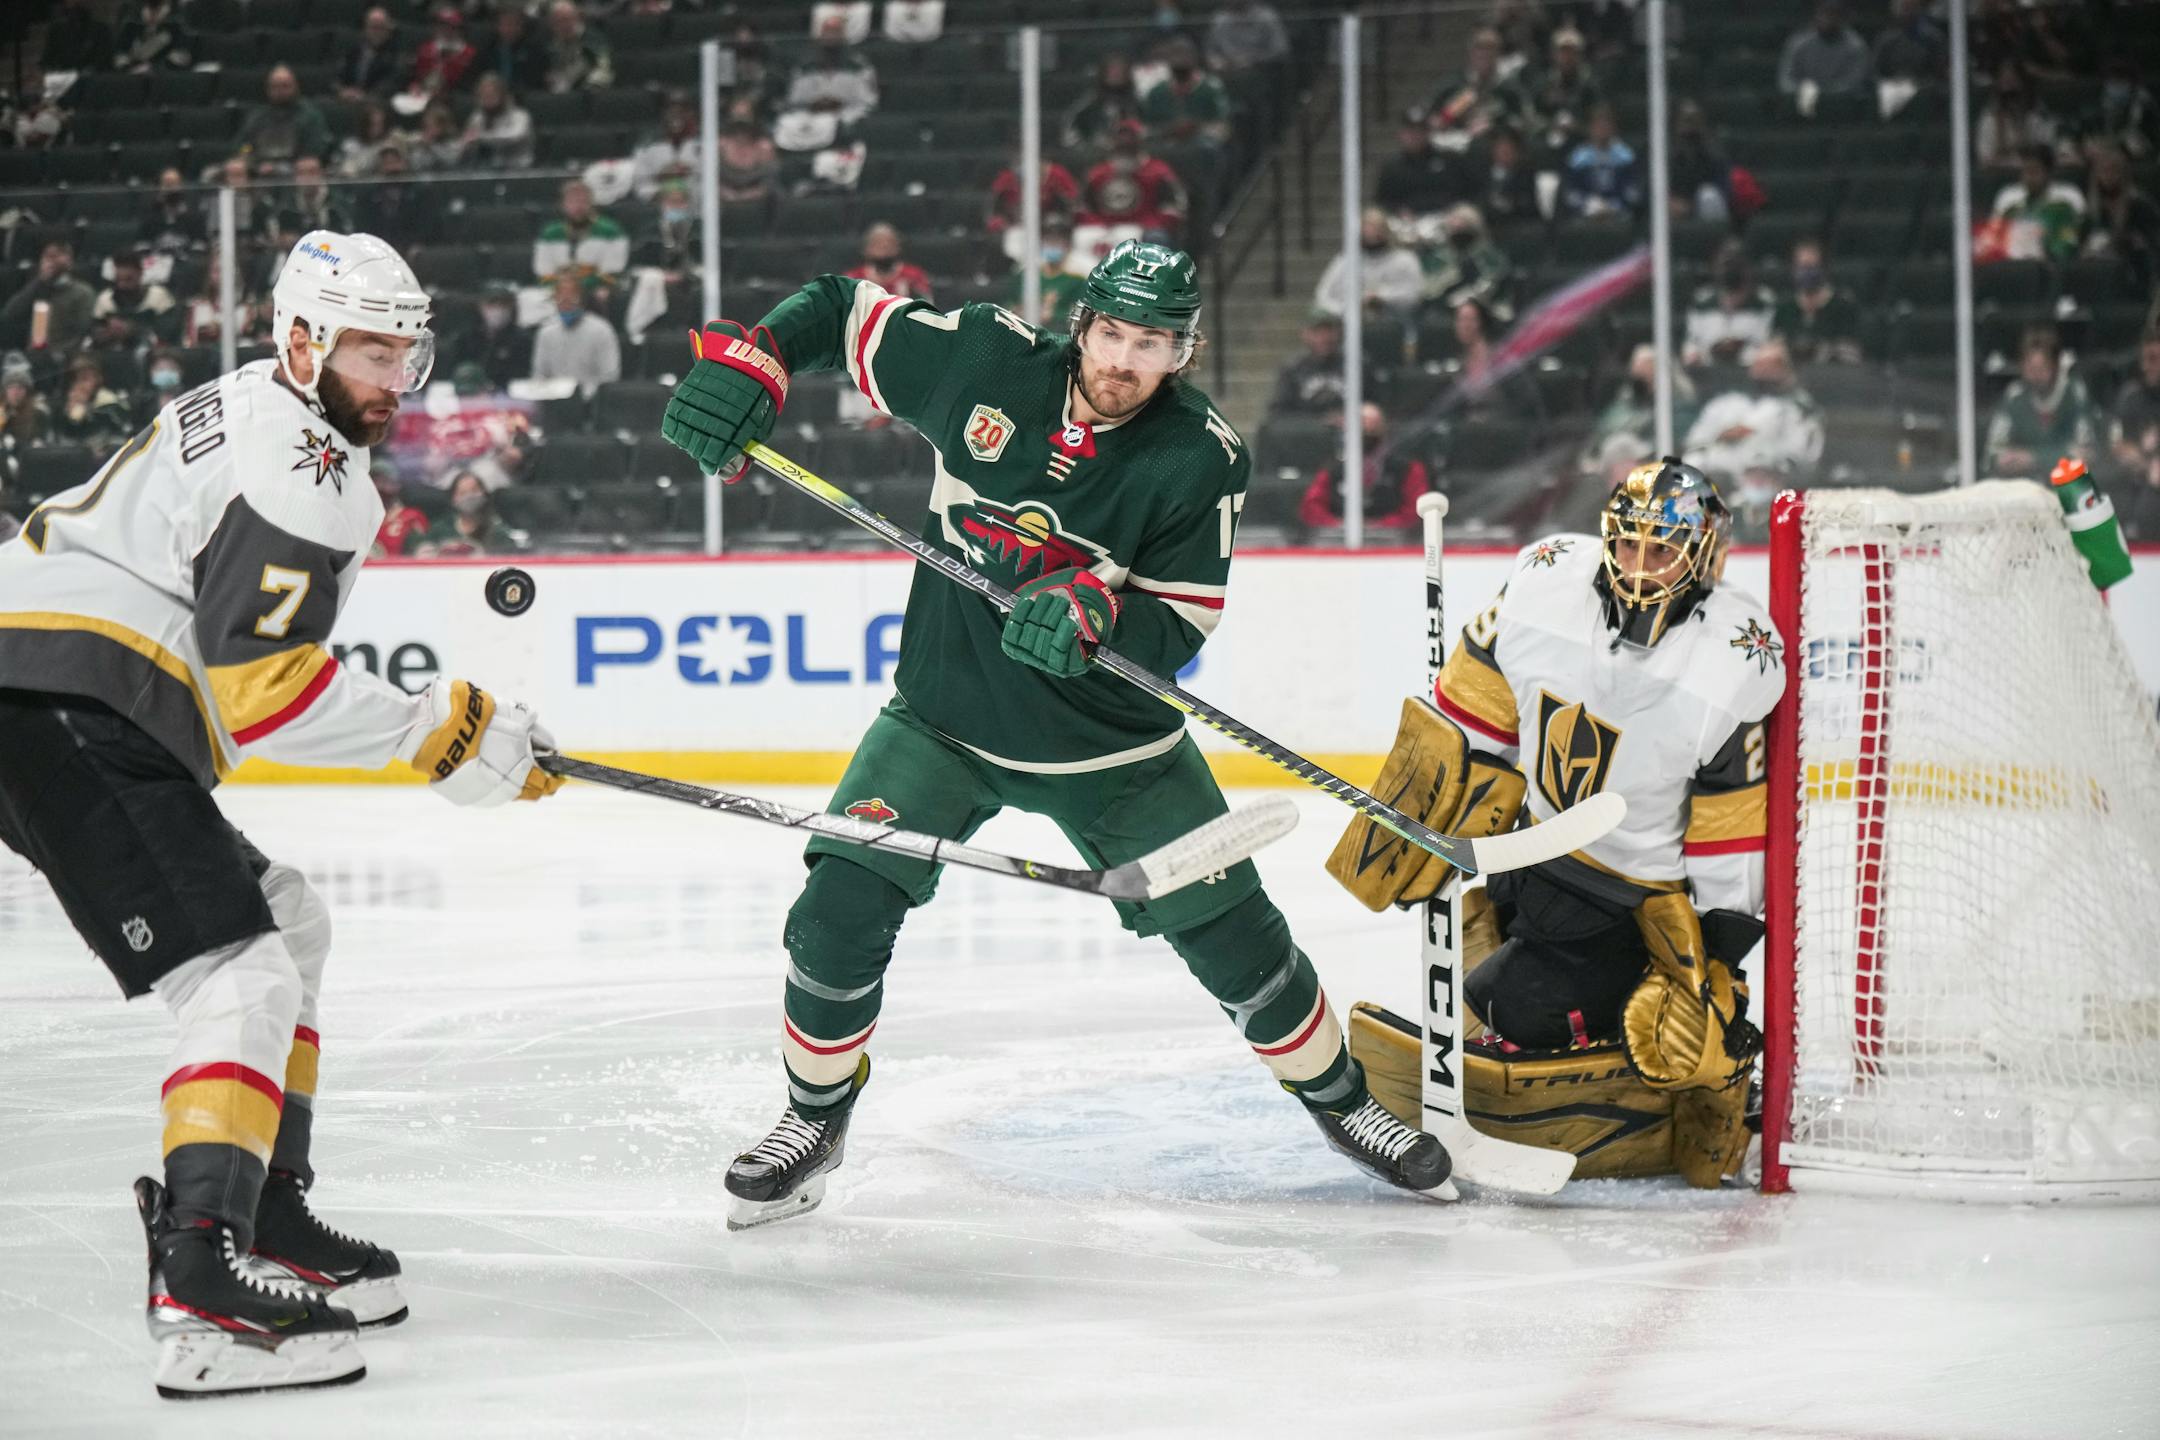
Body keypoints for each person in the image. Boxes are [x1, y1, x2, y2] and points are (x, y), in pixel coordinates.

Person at [656, 239, 1453, 1227]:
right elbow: (837, 307)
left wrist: (1100, 616)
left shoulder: (1199, 456)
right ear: (1080, 324)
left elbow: (1182, 620)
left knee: (1240, 943)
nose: (1124, 360)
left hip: (1112, 752)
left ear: (1185, 353)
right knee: (836, 913)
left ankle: (1344, 1108)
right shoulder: (985, 362)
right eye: (1111, 332)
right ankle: (813, 1120)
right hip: (943, 718)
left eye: (1151, 344)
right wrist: (760, 361)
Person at [0, 228, 561, 1398]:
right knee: (242, 976)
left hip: (57, 685)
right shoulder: (301, 468)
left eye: (406, 354)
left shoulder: (265, 408)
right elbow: (260, 688)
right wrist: (437, 732)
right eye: (368, 352)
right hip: (67, 695)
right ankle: (198, 1282)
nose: (392, 381)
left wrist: (447, 733)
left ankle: (260, 1216)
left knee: (289, 927)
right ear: (299, 340)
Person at [1338, 459, 1781, 1190]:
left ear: (1703, 557)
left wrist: (1719, 958)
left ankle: (1694, 1086)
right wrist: (1432, 806)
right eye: (1631, 543)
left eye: (1664, 548)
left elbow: (1727, 823)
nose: (1642, 565)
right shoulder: (1547, 584)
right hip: (1533, 856)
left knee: (1522, 1004)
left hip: (1635, 902)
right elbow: (1474, 720)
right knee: (1477, 974)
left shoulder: (1734, 656)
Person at [1683, 338, 1825, 510]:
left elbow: (1803, 454)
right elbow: (1696, 442)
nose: (1764, 370)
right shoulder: (1724, 403)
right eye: (1759, 364)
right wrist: (1721, 436)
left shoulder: (1798, 409)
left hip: (1771, 479)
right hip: (1723, 477)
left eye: (1773, 365)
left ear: (1786, 370)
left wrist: (1769, 463)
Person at [1298, 402, 1430, 536]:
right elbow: (1311, 507)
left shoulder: (1408, 469)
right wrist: (1338, 526)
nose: (1368, 430)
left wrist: (1381, 526)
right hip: (1338, 542)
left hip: (1393, 542)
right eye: (1363, 424)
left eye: (1374, 425)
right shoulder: (1332, 469)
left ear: (1384, 429)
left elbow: (1416, 509)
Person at [1984, 324, 2098, 476]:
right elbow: (1992, 454)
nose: (2035, 376)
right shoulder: (2014, 396)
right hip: (2025, 488)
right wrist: (2005, 460)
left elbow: (2086, 454)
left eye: (2042, 369)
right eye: (2030, 369)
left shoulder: (2075, 393)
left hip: (2068, 486)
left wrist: (2034, 459)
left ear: (2056, 366)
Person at [1078, 121, 1190, 248]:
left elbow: (1177, 205)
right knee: (1083, 236)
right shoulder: (1097, 174)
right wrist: (1097, 223)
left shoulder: (1159, 172)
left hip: (1147, 227)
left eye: (1130, 138)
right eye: (1121, 138)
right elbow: (1082, 206)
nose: (1125, 141)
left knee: (1157, 238)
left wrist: (1156, 222)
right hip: (1105, 226)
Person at [1313, 207, 1424, 322]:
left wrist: (1382, 297)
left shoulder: (1405, 260)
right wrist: (1347, 309)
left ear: (1386, 232)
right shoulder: (1346, 262)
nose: (1371, 236)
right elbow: (1322, 297)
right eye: (1366, 232)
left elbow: (1415, 294)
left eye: (1376, 231)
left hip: (1396, 323)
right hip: (1354, 325)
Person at [1683, 238, 1777, 368]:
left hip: (1750, 372)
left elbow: (1764, 342)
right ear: (1716, 267)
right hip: (1708, 372)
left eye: (1735, 263)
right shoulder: (1701, 301)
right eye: (1726, 264)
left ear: (1747, 268)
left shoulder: (1763, 301)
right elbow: (1692, 342)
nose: (1730, 269)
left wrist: (1739, 353)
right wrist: (1698, 355)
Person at [1771, 236, 1862, 365]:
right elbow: (1773, 347)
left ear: (1824, 269)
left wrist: (1821, 351)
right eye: (1800, 267)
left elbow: (1852, 355)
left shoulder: (1843, 307)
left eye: (1810, 267)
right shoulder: (1785, 307)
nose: (1805, 273)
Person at [1420, 203, 1514, 324]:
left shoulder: (1488, 252)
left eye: (1462, 226)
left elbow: (1497, 277)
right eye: (1453, 226)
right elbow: (1430, 288)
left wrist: (1472, 295)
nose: (1457, 229)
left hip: (1486, 306)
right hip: (1445, 308)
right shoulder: (1439, 256)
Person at [1991, 143, 2085, 262]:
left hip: (2052, 268)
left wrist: (2047, 250)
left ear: (2048, 173)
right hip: (2012, 267)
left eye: (2034, 171)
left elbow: (2069, 241)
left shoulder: (2065, 204)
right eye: (2025, 171)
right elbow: (1995, 240)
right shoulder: (2011, 205)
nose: (2028, 177)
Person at [235, 65, 335, 175]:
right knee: (236, 167)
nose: (280, 91)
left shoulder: (309, 115)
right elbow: (245, 146)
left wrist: (292, 164)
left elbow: (316, 147)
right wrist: (254, 162)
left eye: (285, 86)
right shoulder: (257, 117)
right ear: (268, 89)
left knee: (309, 165)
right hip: (261, 168)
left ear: (296, 86)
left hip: (297, 168)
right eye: (275, 87)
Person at [530, 274, 620, 396]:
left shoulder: (601, 330)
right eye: (561, 298)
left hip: (590, 399)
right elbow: (539, 374)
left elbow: (610, 375)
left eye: (571, 298)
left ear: (582, 300)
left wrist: (584, 394)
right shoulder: (546, 331)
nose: (566, 303)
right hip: (553, 399)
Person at [1519, 25, 1603, 157]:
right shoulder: (1544, 83)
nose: (1567, 57)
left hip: (1581, 142)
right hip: (1547, 139)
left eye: (1572, 52)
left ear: (1579, 54)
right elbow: (1530, 115)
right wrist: (1551, 125)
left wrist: (1577, 126)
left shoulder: (1590, 85)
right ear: (1554, 54)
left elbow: (1599, 118)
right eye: (1563, 51)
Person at [1424, 27, 1514, 148]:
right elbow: (1432, 115)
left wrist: (1494, 125)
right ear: (1471, 54)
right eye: (1480, 50)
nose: (1484, 55)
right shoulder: (1453, 84)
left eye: (1490, 51)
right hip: (1457, 141)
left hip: (1496, 144)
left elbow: (1520, 118)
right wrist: (1439, 121)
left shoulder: (1507, 87)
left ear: (1498, 55)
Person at [3, 239, 98, 354]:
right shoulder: (36, 289)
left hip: (66, 357)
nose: (51, 261)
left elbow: (82, 330)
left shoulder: (82, 292)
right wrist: (40, 282)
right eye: (47, 256)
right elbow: (10, 314)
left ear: (69, 260)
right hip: (34, 354)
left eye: (57, 256)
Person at [1777, 1, 1872, 115]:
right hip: (1803, 101)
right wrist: (1803, 91)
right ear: (1816, 16)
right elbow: (1786, 80)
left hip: (1841, 105)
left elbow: (1853, 83)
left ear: (1842, 18)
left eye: (1834, 14)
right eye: (1825, 14)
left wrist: (1822, 94)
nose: (1829, 19)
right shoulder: (1799, 43)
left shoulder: (1856, 46)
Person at [532, 179, 630, 289]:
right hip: (557, 293)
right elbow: (543, 272)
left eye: (583, 201)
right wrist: (561, 289)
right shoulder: (549, 233)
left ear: (591, 203)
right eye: (572, 201)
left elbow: (613, 272)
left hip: (596, 291)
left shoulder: (611, 231)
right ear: (563, 205)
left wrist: (577, 288)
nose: (578, 206)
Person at [1139, 37, 1233, 149]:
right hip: (1165, 142)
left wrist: (1197, 127)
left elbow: (1222, 125)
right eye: (1176, 55)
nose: (1180, 60)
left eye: (1185, 55)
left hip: (1203, 144)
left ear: (1194, 59)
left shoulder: (1211, 87)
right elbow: (1148, 126)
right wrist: (1169, 129)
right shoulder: (1157, 91)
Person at [2080, 144, 2159, 273]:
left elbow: (2150, 241)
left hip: (2130, 267)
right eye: (2103, 171)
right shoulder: (2090, 206)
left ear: (2123, 173)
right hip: (2094, 266)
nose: (2108, 176)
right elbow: (2082, 237)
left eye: (2113, 170)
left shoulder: (2139, 205)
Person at [1559, 103, 1641, 220]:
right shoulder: (1578, 158)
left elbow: (1632, 191)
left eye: (1606, 124)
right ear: (1590, 127)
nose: (1602, 129)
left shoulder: (1626, 156)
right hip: (1586, 214)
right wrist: (1590, 206)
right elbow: (1571, 192)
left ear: (1614, 128)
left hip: (1619, 214)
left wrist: (1614, 206)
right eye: (1598, 125)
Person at [1975, 61, 2059, 172]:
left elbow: (2048, 153)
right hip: (1999, 174)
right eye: (2005, 81)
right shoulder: (1989, 119)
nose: (2010, 87)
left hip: (2032, 174)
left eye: (2014, 80)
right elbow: (1985, 161)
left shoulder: (2037, 116)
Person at [2108, 329, 2160, 504]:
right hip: (2135, 482)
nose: (2145, 366)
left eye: (2153, 359)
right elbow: (2118, 445)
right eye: (2143, 359)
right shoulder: (2131, 396)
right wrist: (2145, 461)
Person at [1003, 222, 1087, 329]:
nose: (1052, 246)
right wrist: (1017, 311)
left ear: (1068, 247)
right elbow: (1007, 302)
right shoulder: (1026, 275)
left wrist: (1053, 316)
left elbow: (1081, 315)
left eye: (1057, 242)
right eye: (1048, 241)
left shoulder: (1076, 281)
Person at [1377, 123, 1466, 222]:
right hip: (1404, 222)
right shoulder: (1392, 166)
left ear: (1428, 133)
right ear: (1401, 134)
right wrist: (1398, 211)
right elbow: (1382, 200)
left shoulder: (1447, 160)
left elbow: (1460, 192)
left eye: (1419, 131)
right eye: (1410, 132)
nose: (1415, 136)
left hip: (1445, 218)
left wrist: (1450, 211)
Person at [92, 250, 179, 349]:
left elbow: (167, 333)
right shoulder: (105, 300)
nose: (122, 285)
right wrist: (106, 332)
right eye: (118, 280)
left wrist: (132, 330)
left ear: (140, 273)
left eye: (128, 280)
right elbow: (94, 333)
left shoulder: (158, 296)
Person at [783, 32, 876, 124]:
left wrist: (839, 106)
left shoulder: (857, 71)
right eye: (826, 51)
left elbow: (867, 104)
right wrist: (815, 105)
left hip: (846, 120)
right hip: (808, 121)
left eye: (833, 51)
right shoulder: (804, 72)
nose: (829, 55)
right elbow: (793, 103)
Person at [1270, 310, 1349, 415]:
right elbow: (1278, 413)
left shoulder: (1355, 366)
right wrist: (1318, 423)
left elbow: (1374, 404)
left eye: (1329, 331)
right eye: (1317, 332)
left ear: (1338, 333)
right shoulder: (1293, 370)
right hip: (1307, 429)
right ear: (1305, 335)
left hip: (1351, 428)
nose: (1324, 338)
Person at [50, 355, 133, 451]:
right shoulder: (61, 410)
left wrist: (87, 414)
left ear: (98, 379)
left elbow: (119, 440)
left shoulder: (111, 405)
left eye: (85, 379)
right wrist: (70, 417)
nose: (80, 385)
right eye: (76, 379)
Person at [632, 90, 703, 202]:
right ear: (663, 113)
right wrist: (661, 178)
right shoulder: (647, 143)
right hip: (659, 210)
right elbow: (641, 186)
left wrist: (690, 170)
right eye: (671, 108)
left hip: (698, 209)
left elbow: (714, 182)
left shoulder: (705, 142)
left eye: (683, 109)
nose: (677, 113)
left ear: (692, 113)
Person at [1063, 53, 1142, 153]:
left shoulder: (1135, 101)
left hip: (1131, 150)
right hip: (1096, 151)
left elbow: (1144, 127)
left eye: (1119, 70)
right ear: (1103, 73)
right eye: (1112, 70)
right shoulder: (1090, 102)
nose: (1116, 74)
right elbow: (1070, 131)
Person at [1667, 100, 1732, 222]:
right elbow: (1647, 186)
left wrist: (1691, 206)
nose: (1689, 125)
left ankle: (1715, 237)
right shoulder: (1663, 152)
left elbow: (1724, 189)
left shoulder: (1714, 153)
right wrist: (1669, 200)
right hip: (1669, 209)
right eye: (1685, 119)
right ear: (1676, 121)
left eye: (1694, 120)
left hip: (1701, 211)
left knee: (1708, 195)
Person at [421, 470, 511, 556]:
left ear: (484, 493)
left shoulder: (496, 530)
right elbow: (423, 551)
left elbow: (508, 555)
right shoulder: (439, 529)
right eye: (462, 493)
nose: (469, 496)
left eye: (474, 490)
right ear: (453, 499)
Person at [844, 223, 935, 304]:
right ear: (866, 249)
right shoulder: (853, 278)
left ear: (898, 247)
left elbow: (928, 307)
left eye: (889, 242)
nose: (884, 246)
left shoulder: (914, 275)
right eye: (877, 243)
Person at [472, 1, 548, 97]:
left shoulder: (534, 50)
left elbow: (535, 83)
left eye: (512, 24)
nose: (508, 29)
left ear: (521, 27)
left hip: (524, 99)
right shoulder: (488, 49)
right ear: (497, 26)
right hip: (492, 98)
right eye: (504, 25)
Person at [461, 71, 534, 169]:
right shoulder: (477, 118)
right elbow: (467, 144)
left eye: (491, 95)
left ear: (502, 95)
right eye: (483, 96)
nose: (487, 100)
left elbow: (515, 136)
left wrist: (481, 137)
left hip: (518, 170)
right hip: (486, 170)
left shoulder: (520, 116)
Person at [407, 7, 477, 101]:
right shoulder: (425, 49)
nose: (446, 30)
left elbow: (468, 85)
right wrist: (414, 85)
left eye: (451, 27)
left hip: (451, 99)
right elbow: (413, 74)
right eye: (442, 25)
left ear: (459, 29)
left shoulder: (470, 54)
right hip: (420, 95)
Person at [138, 166, 208, 257]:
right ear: (160, 187)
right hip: (158, 262)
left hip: (185, 262)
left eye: (174, 183)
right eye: (167, 184)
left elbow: (199, 245)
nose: (171, 189)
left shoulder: (194, 215)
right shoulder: (150, 215)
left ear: (181, 186)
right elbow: (142, 244)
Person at [1205, 0, 1289, 75]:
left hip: (1262, 72)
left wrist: (1253, 60)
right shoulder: (1220, 19)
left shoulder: (1266, 17)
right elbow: (1211, 51)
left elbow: (1281, 50)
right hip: (1227, 72)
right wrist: (1216, 61)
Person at [336, 6, 404, 99]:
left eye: (382, 28)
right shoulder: (353, 49)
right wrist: (342, 90)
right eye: (374, 27)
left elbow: (390, 84)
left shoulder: (395, 54)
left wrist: (366, 96)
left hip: (375, 102)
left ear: (388, 30)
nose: (377, 32)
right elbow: (337, 75)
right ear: (365, 28)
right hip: (347, 98)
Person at [1872, 0, 1946, 84]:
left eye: (1910, 8)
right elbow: (1876, 70)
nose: (1906, 13)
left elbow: (1938, 72)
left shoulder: (1932, 38)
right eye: (1903, 8)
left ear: (1918, 9)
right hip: (1891, 86)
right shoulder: (1886, 39)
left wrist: (1919, 84)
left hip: (1922, 87)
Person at [1478, 124, 1539, 223]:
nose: (1504, 152)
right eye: (1499, 148)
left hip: (1517, 222)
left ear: (1518, 151)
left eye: (1509, 148)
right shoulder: (1482, 172)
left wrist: (1509, 204)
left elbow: (1528, 203)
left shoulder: (1527, 174)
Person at [115, 0, 196, 72]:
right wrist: (128, 68)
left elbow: (181, 58)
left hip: (163, 78)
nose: (153, 13)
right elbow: (120, 54)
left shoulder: (178, 25)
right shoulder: (131, 25)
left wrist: (153, 67)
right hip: (131, 78)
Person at [40, 0, 116, 73]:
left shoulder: (102, 29)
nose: (78, 2)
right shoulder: (56, 30)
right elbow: (47, 61)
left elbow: (104, 61)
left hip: (92, 80)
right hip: (63, 79)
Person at [0, 351, 52, 446]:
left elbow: (39, 443)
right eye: (11, 387)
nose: (15, 392)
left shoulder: (38, 413)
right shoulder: (2, 411)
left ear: (27, 391)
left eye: (20, 387)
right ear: (5, 390)